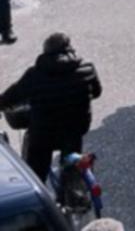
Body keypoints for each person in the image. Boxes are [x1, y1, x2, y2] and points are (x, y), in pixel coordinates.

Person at [0, 32, 103, 179]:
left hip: (43, 132)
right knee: (72, 165)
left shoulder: (34, 74)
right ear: (70, 48)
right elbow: (97, 92)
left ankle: (41, 193)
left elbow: (10, 97)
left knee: (36, 172)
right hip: (76, 127)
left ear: (45, 52)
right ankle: (74, 187)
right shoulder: (87, 68)